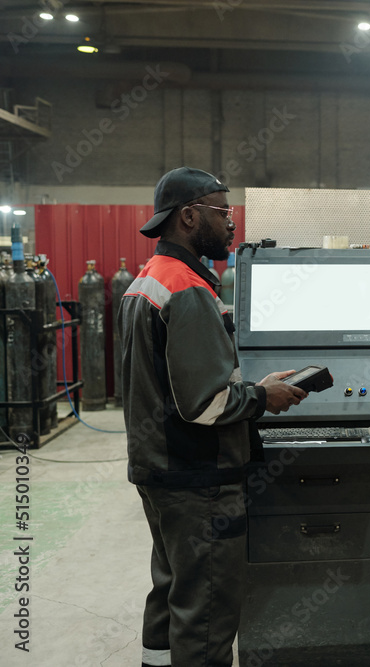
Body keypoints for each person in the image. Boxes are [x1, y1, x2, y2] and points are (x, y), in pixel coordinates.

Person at [119, 167, 306, 667]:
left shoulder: (148, 280)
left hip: (160, 471)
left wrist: (256, 388)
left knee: (172, 594)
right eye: (223, 212)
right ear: (188, 216)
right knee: (206, 616)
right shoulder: (186, 288)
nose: (231, 223)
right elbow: (205, 403)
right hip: (198, 481)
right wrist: (263, 397)